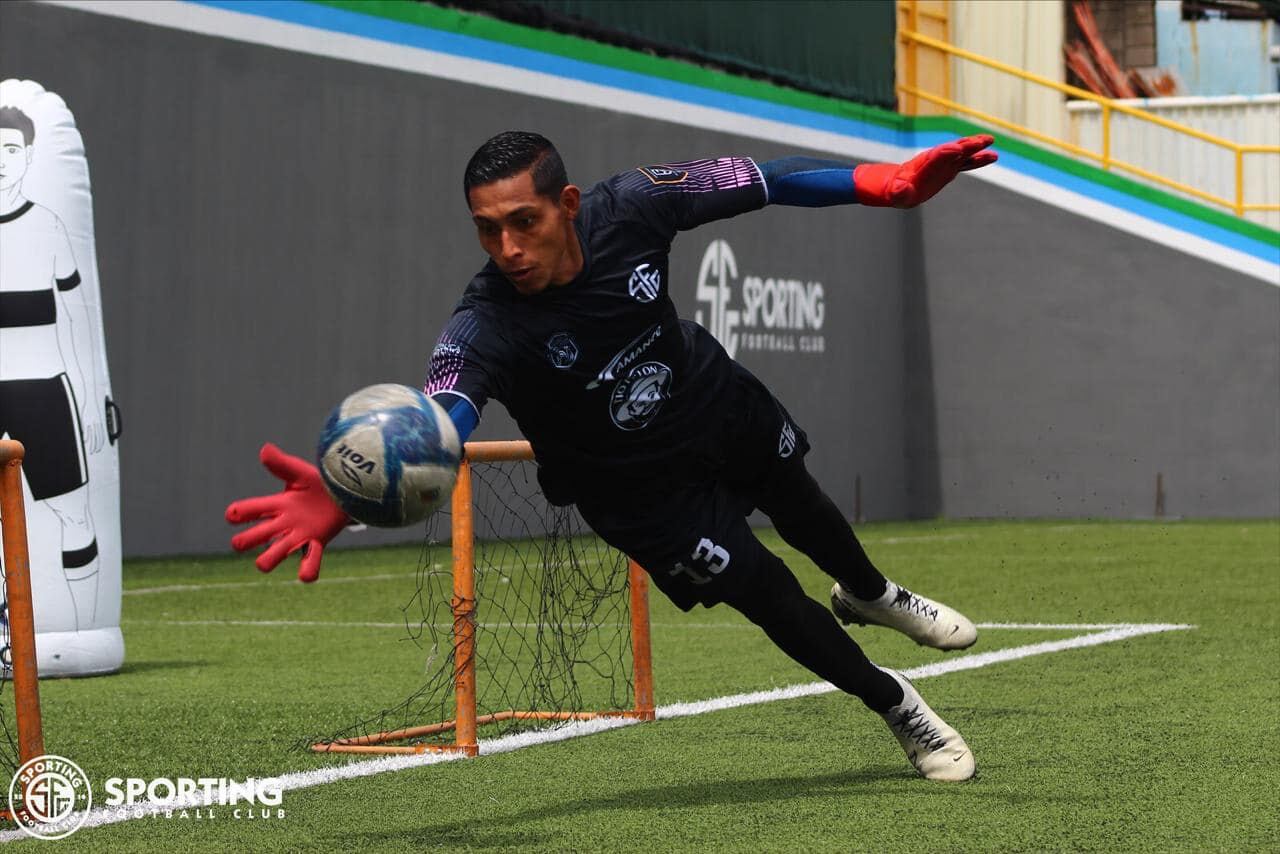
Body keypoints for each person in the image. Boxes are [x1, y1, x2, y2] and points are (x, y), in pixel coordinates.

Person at [227, 131, 998, 782]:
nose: (508, 248)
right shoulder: (483, 325)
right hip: (636, 496)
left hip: (709, 399)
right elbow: (444, 417)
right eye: (487, 230)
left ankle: (870, 593)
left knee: (804, 505)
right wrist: (348, 492)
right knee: (767, 593)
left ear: (567, 205)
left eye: (523, 222)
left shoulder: (633, 204)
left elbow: (766, 179)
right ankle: (896, 705)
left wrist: (884, 184)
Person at [0, 105, 105, 628]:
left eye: (11, 149)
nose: (1, 161)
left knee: (73, 512)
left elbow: (73, 323)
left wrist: (88, 400)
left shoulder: (48, 224)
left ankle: (83, 630)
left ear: (29, 156)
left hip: (43, 392)